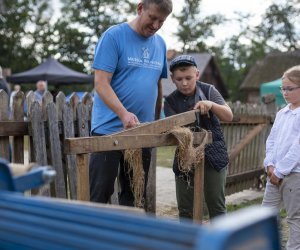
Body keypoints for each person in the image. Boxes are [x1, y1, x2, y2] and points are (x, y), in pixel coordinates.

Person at [89, 0, 173, 207]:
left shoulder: (160, 44)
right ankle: (93, 237)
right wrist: (123, 113)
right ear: (140, 8)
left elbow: (157, 86)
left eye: (161, 22)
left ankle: (125, 239)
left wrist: (155, 123)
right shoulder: (114, 36)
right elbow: (100, 84)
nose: (155, 26)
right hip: (109, 132)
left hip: (142, 134)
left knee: (134, 195)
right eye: (152, 18)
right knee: (100, 195)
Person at [164, 55, 233, 220]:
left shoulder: (209, 90)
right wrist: (191, 153)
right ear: (173, 79)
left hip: (214, 156)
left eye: (188, 78)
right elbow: (174, 132)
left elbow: (229, 116)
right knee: (185, 210)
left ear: (197, 74)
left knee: (217, 208)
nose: (185, 83)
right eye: (179, 79)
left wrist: (211, 104)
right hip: (184, 158)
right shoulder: (170, 101)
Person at [262, 65, 300, 250]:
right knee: (266, 216)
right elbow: (272, 140)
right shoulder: (282, 113)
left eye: (290, 89)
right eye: (283, 88)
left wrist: (281, 170)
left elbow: (298, 148)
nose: (285, 92)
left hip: (294, 175)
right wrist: (269, 164)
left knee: (295, 218)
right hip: (273, 174)